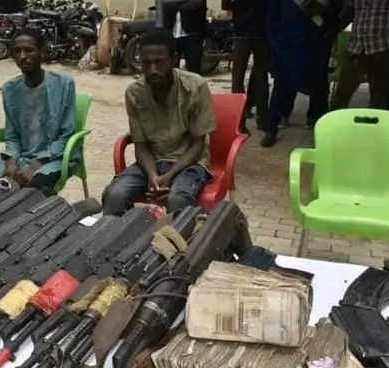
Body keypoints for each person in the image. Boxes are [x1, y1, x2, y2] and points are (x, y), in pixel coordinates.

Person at [102, 28, 215, 216]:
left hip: (189, 164)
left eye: (160, 62)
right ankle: (122, 234)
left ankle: (182, 236)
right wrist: (153, 176)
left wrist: (169, 176)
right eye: (147, 63)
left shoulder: (195, 87)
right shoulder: (135, 93)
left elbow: (198, 145)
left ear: (174, 59)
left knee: (178, 199)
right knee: (114, 195)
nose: (153, 70)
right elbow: (141, 147)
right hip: (151, 164)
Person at [0, 28, 77, 194]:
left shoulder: (63, 84)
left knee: (31, 193)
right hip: (21, 157)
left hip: (55, 158)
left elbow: (66, 134)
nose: (22, 56)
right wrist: (10, 162)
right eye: (17, 51)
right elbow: (12, 135)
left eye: (29, 50)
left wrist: (35, 166)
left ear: (42, 52)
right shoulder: (9, 89)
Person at [260, 0, 343, 147]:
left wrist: (323, 14)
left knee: (318, 86)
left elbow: (336, 12)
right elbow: (271, 16)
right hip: (287, 42)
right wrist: (275, 41)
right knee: (282, 85)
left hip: (316, 43)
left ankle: (318, 128)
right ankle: (272, 127)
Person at [330, 0, 389, 110]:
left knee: (378, 99)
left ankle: (375, 121)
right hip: (357, 47)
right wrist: (332, 31)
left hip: (383, 47)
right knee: (341, 95)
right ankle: (335, 120)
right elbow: (349, 11)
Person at [222, 0, 268, 132]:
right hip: (261, 30)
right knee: (261, 75)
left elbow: (226, 6)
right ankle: (263, 119)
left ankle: (239, 122)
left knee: (238, 77)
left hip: (241, 29)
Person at [163, 0, 206, 74]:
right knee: (171, 68)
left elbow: (197, 4)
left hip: (192, 35)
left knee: (193, 67)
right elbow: (164, 6)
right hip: (173, 35)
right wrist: (183, 3)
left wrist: (174, 5)